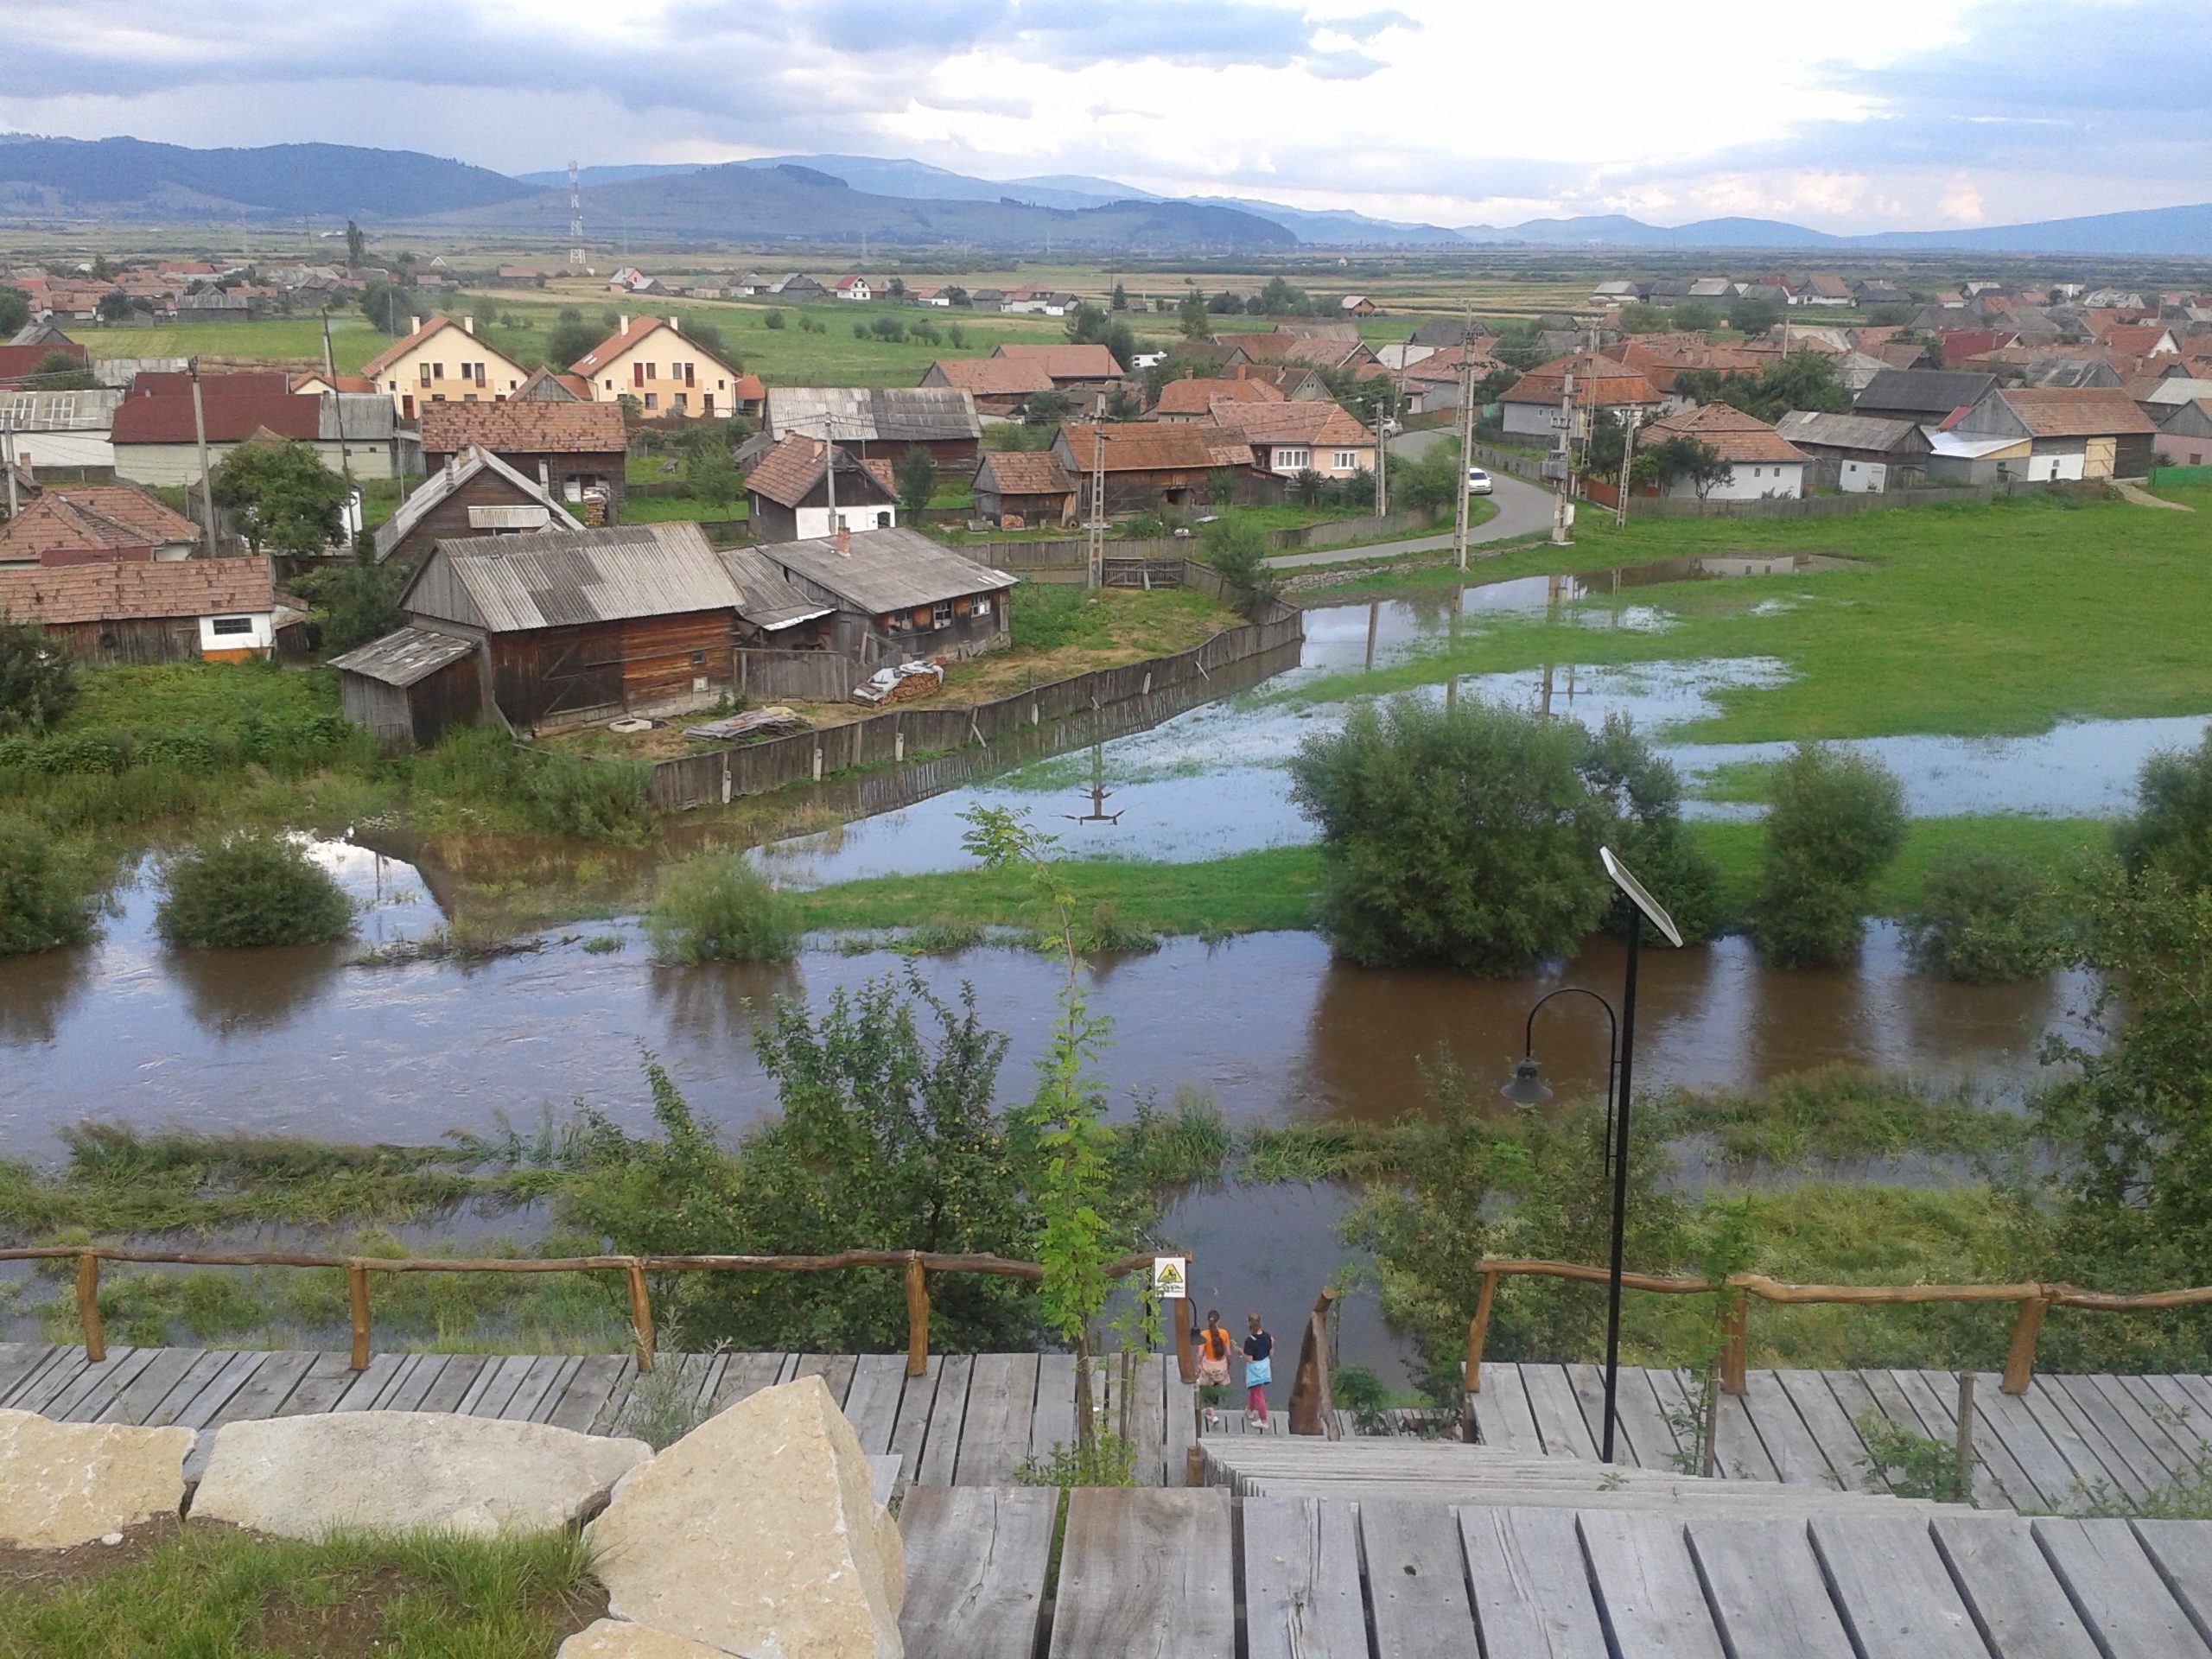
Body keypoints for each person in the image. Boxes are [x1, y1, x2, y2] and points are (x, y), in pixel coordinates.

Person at [1194, 1308, 1233, 1427]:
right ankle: (1212, 1411)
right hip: (1220, 1367)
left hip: (1208, 1367)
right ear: (1219, 1320)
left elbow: (1200, 1353)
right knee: (1215, 1388)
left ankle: (1212, 1412)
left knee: (1205, 1389)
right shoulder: (1225, 1333)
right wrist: (1228, 1365)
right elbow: (1228, 1353)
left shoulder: (1204, 1335)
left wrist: (1197, 1367)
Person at [1243, 1312, 1273, 1427]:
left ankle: (1264, 1420)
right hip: (1265, 1366)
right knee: (1254, 1390)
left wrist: (1241, 1353)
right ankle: (1250, 1410)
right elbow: (1270, 1352)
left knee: (1258, 1394)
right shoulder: (1267, 1336)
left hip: (1255, 1369)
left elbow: (1249, 1359)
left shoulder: (1249, 1341)